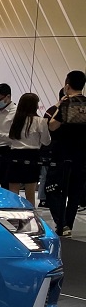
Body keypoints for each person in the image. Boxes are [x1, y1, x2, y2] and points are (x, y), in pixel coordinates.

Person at [47, 70, 86, 236]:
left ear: (67, 85)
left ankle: (62, 224)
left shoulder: (67, 104)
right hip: (82, 155)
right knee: (75, 192)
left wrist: (59, 106)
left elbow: (52, 125)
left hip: (62, 153)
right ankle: (68, 224)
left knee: (52, 189)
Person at [0, 93, 51, 205]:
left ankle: (13, 213)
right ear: (34, 105)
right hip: (32, 155)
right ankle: (29, 214)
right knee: (30, 192)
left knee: (13, 191)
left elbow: (10, 137)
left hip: (14, 154)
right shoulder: (40, 121)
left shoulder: (15, 120)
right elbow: (46, 141)